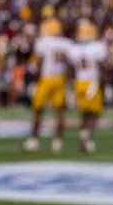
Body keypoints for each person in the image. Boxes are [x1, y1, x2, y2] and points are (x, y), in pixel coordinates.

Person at [22, 19, 74, 153]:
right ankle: (58, 142)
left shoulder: (42, 42)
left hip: (46, 79)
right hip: (60, 79)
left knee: (38, 110)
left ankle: (34, 140)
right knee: (60, 112)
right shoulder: (67, 43)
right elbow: (71, 65)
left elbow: (39, 62)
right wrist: (69, 80)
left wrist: (34, 80)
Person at [69, 20, 108, 154]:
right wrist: (106, 81)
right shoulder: (97, 47)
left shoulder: (75, 49)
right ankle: (88, 137)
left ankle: (83, 132)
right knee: (95, 112)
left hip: (79, 82)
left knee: (84, 112)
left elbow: (72, 68)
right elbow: (102, 66)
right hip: (92, 83)